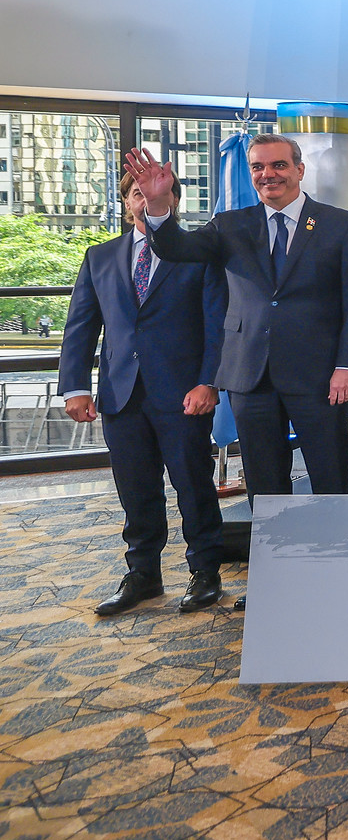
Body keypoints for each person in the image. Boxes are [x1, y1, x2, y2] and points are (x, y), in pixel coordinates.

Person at [126, 139, 348, 502]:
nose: (268, 174)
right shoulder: (229, 225)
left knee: (328, 475)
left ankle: (331, 556)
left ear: (299, 170)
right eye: (258, 167)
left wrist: (347, 365)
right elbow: (178, 248)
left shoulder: (341, 225)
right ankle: (275, 556)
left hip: (319, 376)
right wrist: (157, 205)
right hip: (249, 375)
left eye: (278, 165)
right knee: (264, 480)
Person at [62, 169, 227, 615]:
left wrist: (208, 381)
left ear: (171, 198)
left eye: (154, 192)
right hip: (120, 395)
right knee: (135, 489)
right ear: (128, 201)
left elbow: (217, 324)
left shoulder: (198, 254)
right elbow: (80, 327)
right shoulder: (99, 257)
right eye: (136, 193)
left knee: (193, 484)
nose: (144, 198)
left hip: (183, 394)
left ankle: (205, 571)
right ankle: (143, 575)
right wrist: (75, 387)